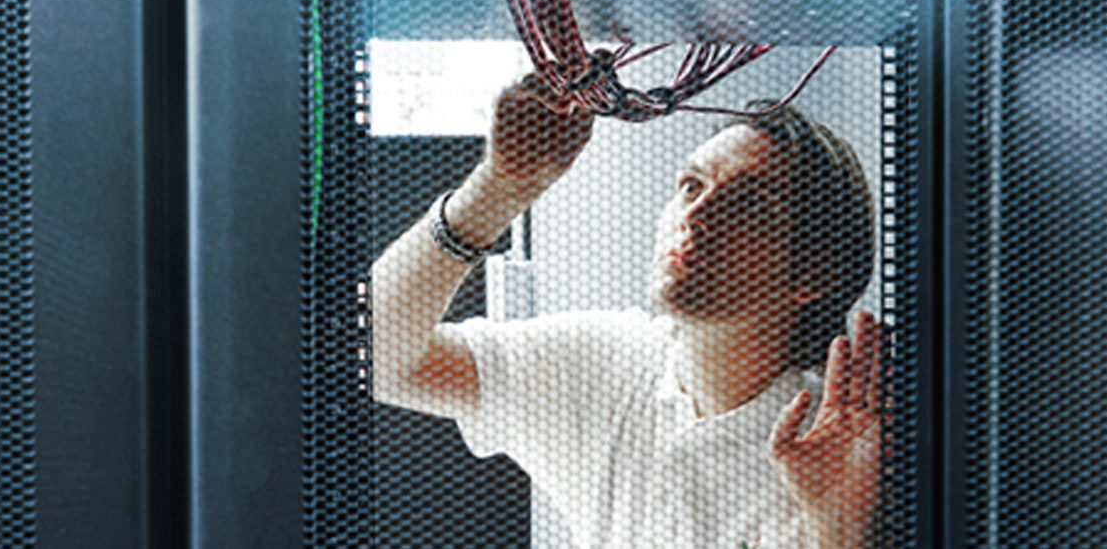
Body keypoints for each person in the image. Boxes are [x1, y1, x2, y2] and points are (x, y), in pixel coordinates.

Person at [371, 74, 886, 549]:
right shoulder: (602, 366)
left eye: (749, 204)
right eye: (691, 185)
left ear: (813, 276)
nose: (697, 215)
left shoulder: (842, 453)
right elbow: (377, 359)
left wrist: (839, 532)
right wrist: (497, 190)